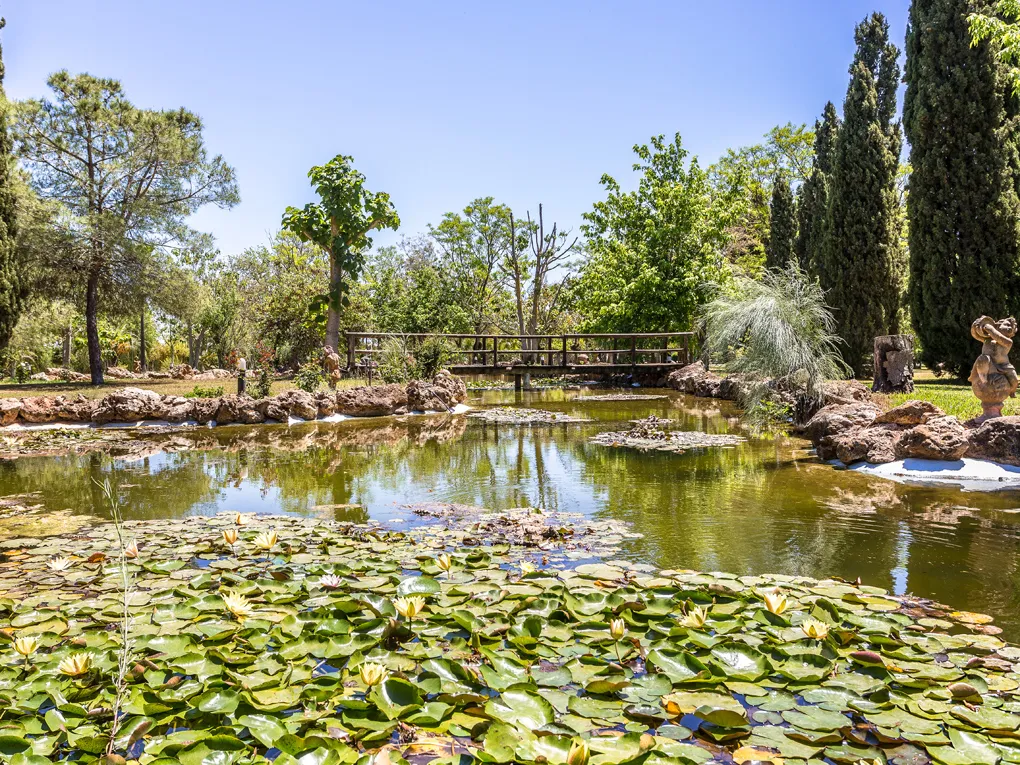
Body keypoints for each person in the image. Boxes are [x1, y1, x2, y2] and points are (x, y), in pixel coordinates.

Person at [969, 316, 1018, 414]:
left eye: (1011, 328)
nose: (1009, 328)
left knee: (1014, 380)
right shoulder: (987, 340)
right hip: (989, 363)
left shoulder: (1008, 342)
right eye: (1007, 325)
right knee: (982, 359)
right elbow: (977, 335)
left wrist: (989, 327)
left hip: (1004, 366)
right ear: (998, 326)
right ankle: (980, 378)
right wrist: (977, 326)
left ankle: (1012, 391)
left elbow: (997, 337)